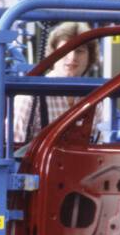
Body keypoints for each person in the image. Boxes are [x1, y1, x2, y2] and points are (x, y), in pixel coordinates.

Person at [11, 20, 111, 150]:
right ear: (53, 54)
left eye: (79, 51)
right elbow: (12, 149)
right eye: (66, 50)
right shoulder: (30, 97)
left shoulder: (94, 100)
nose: (72, 57)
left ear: (90, 57)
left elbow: (98, 147)